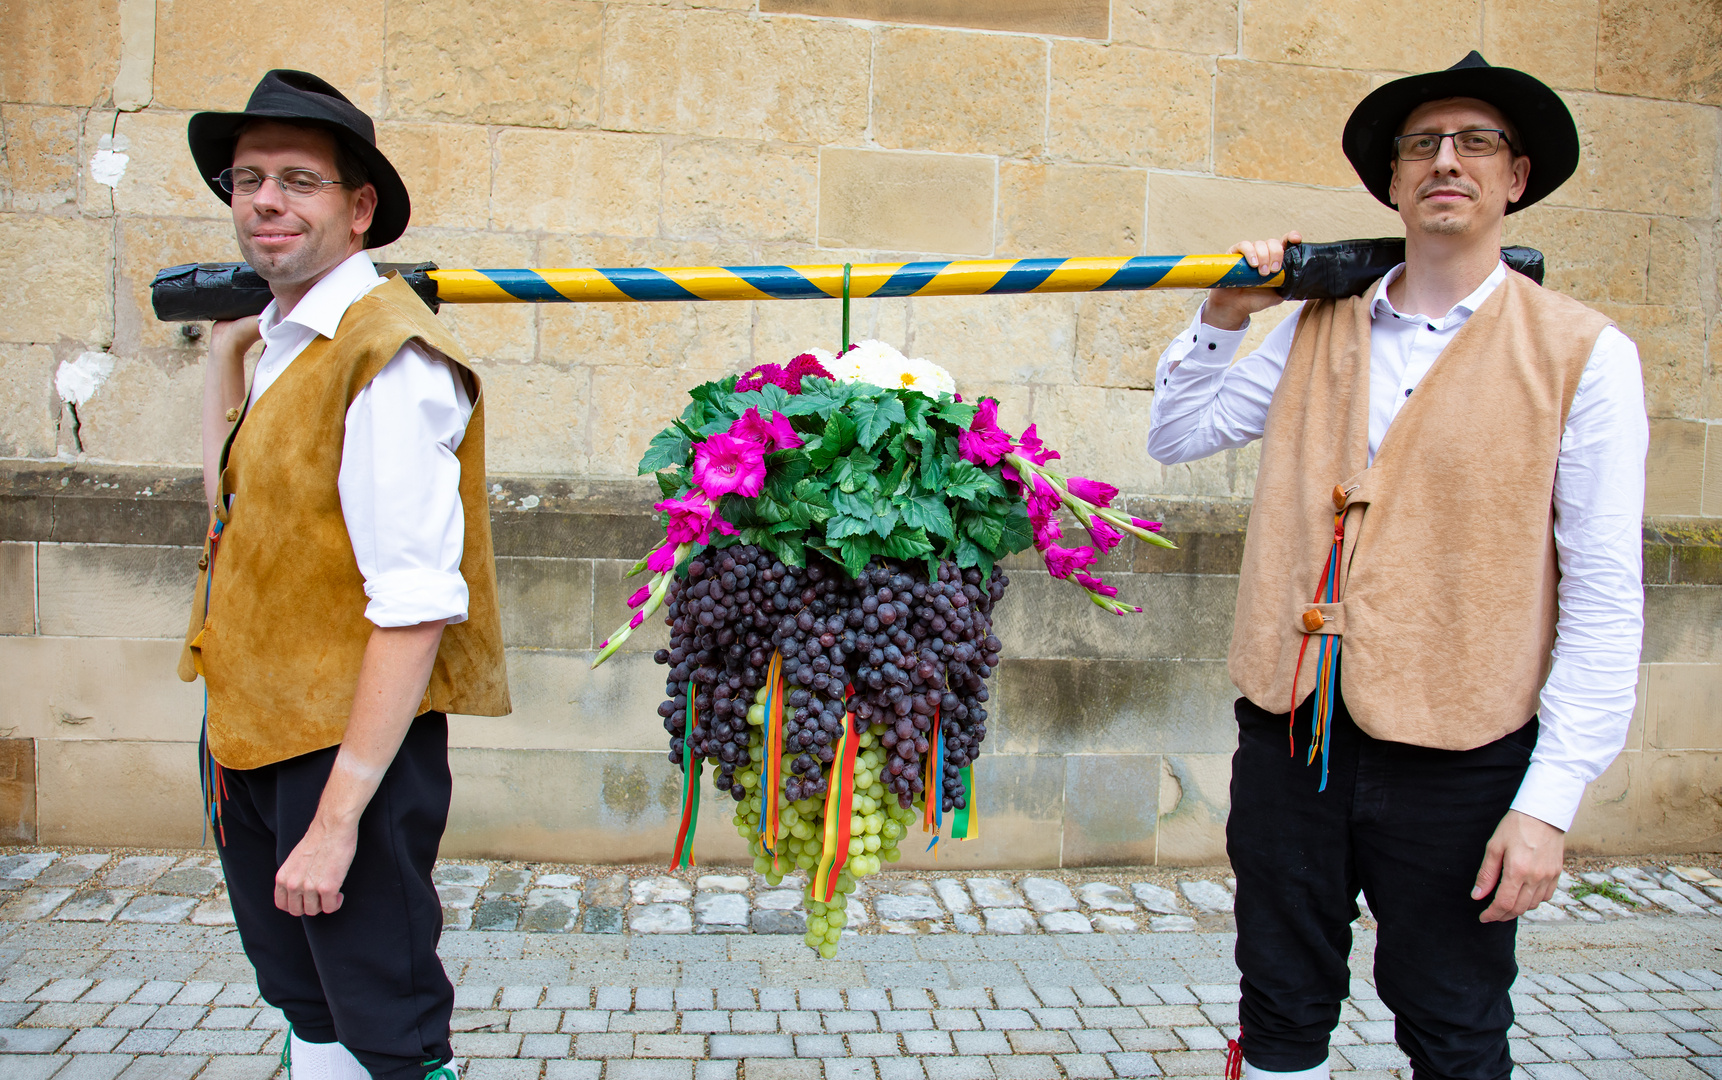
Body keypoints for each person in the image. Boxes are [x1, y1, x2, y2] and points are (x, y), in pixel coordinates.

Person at [1146, 53, 1646, 1080]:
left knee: (1454, 1022)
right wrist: (1224, 316)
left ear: (1517, 176)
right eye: (1422, 145)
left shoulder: (1584, 353)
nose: (1446, 161)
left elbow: (1603, 593)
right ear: (1394, 180)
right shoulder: (1312, 325)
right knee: (1281, 1006)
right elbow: (1177, 435)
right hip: (1294, 735)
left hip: (1464, 753)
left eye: (1475, 143)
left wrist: (1548, 802)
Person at [177, 70, 511, 1080]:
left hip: (347, 750)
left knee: (386, 1020)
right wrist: (228, 355)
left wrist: (333, 825)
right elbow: (234, 516)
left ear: (359, 209)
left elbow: (414, 612)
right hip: (260, 733)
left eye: (299, 180)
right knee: (307, 1000)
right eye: (247, 179)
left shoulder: (390, 358)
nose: (265, 200)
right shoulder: (289, 343)